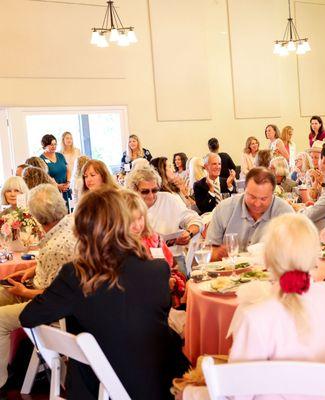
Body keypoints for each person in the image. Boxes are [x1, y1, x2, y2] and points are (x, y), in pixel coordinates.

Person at [19, 187, 188, 399]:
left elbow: (28, 316)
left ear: (81, 230)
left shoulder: (76, 275)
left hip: (98, 386)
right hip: (163, 384)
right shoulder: (157, 270)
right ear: (123, 224)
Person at [182, 214, 325, 400]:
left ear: (268, 260)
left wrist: (192, 393)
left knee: (188, 392)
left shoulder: (256, 315)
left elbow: (239, 392)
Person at [0, 184, 76, 390]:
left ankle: (2, 384)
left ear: (37, 217)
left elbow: (53, 295)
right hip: (46, 292)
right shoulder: (71, 223)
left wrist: (24, 291)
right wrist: (33, 268)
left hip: (53, 309)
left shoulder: (54, 246)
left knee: (0, 320)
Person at [205, 167, 294, 260]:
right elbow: (208, 252)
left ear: (273, 194)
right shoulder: (224, 209)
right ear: (244, 190)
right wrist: (217, 253)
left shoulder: (285, 213)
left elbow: (295, 252)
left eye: (263, 198)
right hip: (230, 270)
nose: (257, 203)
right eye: (252, 197)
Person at [122, 190, 186, 309]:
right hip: (139, 307)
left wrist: (172, 280)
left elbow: (172, 266)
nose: (137, 225)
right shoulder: (120, 247)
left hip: (165, 302)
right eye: (131, 221)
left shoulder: (154, 238)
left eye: (140, 218)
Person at [126, 166, 202, 259]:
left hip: (173, 256)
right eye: (145, 192)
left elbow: (195, 219)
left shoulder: (168, 199)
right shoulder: (126, 206)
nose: (151, 196)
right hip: (140, 260)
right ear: (134, 190)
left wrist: (189, 233)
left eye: (154, 190)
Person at [40, 134, 70, 203]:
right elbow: (44, 177)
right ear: (44, 146)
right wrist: (57, 186)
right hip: (52, 191)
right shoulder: (41, 159)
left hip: (65, 189)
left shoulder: (60, 155)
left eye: (55, 144)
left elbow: (68, 170)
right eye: (51, 145)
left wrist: (68, 183)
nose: (54, 147)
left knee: (67, 211)